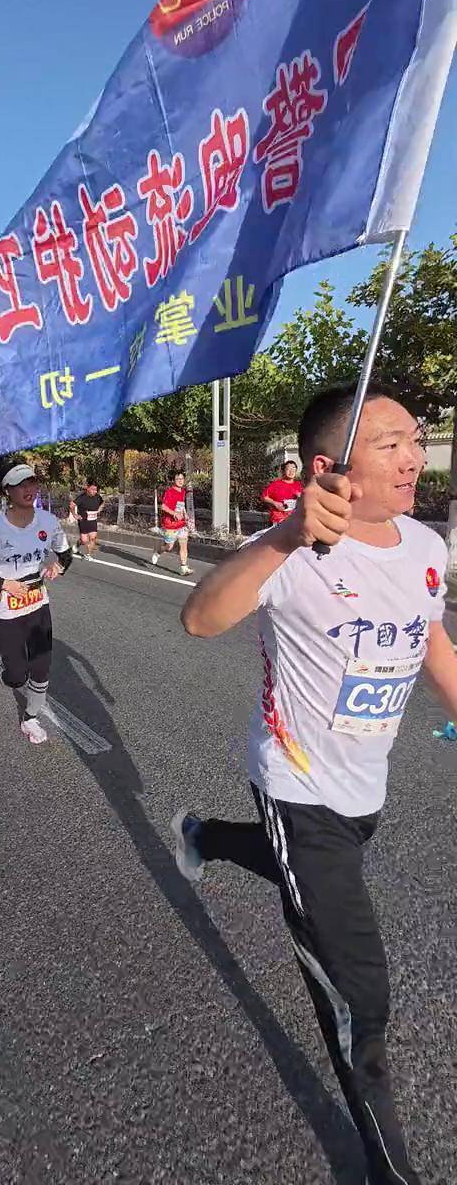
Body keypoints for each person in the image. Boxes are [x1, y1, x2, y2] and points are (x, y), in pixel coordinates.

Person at [174, 384, 456, 1185]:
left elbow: (429, 637)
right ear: (333, 469)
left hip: (365, 790)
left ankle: (205, 837)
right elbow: (200, 618)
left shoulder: (425, 547)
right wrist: (288, 536)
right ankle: (388, 1171)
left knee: (300, 875)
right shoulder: (289, 556)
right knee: (360, 1002)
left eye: (415, 438)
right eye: (391, 443)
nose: (413, 457)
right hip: (298, 788)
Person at [0, 463, 72, 744]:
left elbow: (65, 553)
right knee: (16, 676)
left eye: (33, 483)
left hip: (38, 605)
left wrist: (58, 567)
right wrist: (4, 585)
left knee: (41, 667)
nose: (29, 490)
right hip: (6, 611)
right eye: (21, 485)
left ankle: (30, 719)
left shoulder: (48, 522)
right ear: (8, 491)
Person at [151, 471, 193, 575]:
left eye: (182, 479)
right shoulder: (169, 492)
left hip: (181, 524)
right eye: (178, 479)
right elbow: (163, 507)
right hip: (170, 524)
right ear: (174, 480)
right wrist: (174, 513)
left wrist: (185, 514)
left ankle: (184, 568)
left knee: (183, 545)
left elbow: (181, 505)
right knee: (169, 547)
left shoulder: (183, 491)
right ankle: (158, 552)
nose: (180, 481)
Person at [261, 459, 304, 525]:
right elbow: (264, 497)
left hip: (294, 519)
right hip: (279, 519)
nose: (291, 471)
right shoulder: (276, 484)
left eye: (293, 468)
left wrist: (301, 497)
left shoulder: (299, 485)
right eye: (288, 469)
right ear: (284, 471)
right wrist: (274, 503)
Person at [70, 480, 104, 560]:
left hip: (93, 521)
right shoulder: (82, 497)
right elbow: (72, 505)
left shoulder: (98, 497)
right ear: (87, 488)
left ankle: (88, 555)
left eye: (95, 490)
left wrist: (99, 509)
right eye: (92, 489)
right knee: (84, 540)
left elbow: (103, 502)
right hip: (83, 521)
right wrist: (75, 515)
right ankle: (78, 544)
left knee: (93, 538)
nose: (94, 491)